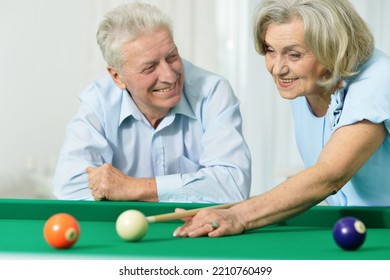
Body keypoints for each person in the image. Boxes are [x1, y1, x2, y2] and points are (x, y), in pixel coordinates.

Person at [173, 0, 390, 238]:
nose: (277, 69)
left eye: (294, 54)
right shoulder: (305, 83)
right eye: (270, 50)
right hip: (356, 229)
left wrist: (239, 215)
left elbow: (330, 175)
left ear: (333, 48)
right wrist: (230, 209)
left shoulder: (379, 78)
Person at [52, 3, 251, 203]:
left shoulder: (213, 91)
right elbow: (69, 189)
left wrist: (133, 188)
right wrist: (193, 188)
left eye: (172, 56)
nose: (169, 75)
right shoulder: (98, 102)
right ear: (117, 77)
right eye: (149, 67)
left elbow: (233, 185)